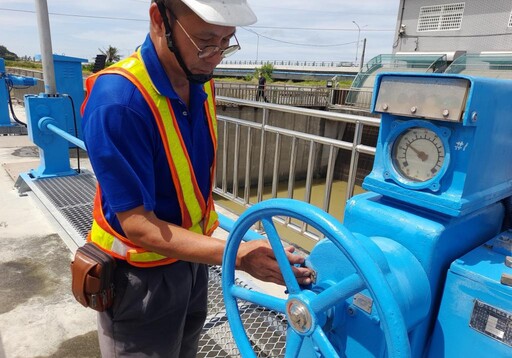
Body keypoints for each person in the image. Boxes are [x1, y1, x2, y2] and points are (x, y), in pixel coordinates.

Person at [81, 0, 312, 357]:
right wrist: (239, 255)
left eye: (227, 41)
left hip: (193, 262)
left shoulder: (201, 82)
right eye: (206, 40)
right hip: (139, 279)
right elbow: (138, 225)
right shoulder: (119, 101)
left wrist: (217, 255)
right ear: (160, 20)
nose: (216, 55)